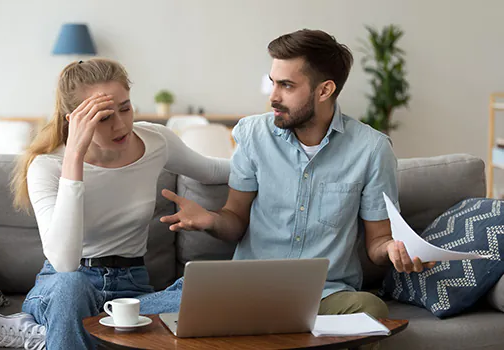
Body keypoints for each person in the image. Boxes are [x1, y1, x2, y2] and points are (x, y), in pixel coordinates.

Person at [144, 29, 436, 325]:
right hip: (248, 290)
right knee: (143, 314)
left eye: (286, 85)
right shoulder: (253, 134)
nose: (273, 96)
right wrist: (211, 220)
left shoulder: (372, 149)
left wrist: (393, 250)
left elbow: (378, 243)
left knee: (371, 311)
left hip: (326, 295)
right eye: (273, 83)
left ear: (324, 91)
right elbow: (234, 218)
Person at [0, 58, 230, 349]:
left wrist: (269, 156)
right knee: (72, 286)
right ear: (74, 121)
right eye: (103, 117)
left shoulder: (156, 141)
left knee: (204, 292)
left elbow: (214, 170)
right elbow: (64, 263)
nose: (121, 125)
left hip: (132, 288)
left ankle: (48, 333)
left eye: (125, 108)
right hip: (65, 285)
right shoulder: (47, 166)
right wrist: (74, 156)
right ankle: (76, 327)